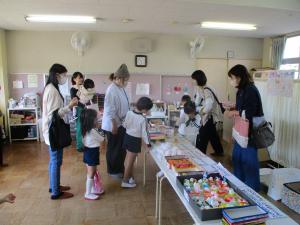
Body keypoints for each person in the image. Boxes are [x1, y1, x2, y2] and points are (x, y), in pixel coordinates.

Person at [225, 64, 263, 192]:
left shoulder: (251, 90)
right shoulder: (240, 91)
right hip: (240, 133)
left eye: (232, 78)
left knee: (249, 165)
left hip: (250, 135)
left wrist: (234, 112)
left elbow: (249, 113)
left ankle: (252, 194)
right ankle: (239, 189)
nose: (231, 81)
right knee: (237, 160)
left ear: (239, 78)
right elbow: (242, 108)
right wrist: (233, 107)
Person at [42, 63, 78, 199]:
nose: (65, 78)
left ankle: (54, 186)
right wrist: (70, 105)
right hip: (53, 130)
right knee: (56, 160)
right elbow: (55, 115)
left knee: (53, 160)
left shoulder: (50, 88)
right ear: (56, 75)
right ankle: (56, 192)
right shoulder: (52, 90)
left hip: (50, 130)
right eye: (63, 75)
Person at [102, 64, 130, 178]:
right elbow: (109, 110)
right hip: (113, 124)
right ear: (118, 78)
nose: (126, 82)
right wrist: (114, 125)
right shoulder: (111, 89)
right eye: (125, 80)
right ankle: (113, 171)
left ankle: (119, 168)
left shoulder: (121, 88)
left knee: (121, 148)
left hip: (121, 123)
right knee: (114, 148)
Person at [122, 97, 153, 188]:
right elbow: (145, 133)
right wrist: (148, 144)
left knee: (128, 160)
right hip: (134, 140)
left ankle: (130, 178)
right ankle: (125, 181)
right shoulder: (143, 119)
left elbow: (124, 124)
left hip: (127, 137)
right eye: (148, 110)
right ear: (144, 109)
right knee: (130, 162)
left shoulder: (129, 112)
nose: (148, 111)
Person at [191, 70, 224, 156]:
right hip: (208, 114)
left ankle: (199, 154)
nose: (192, 81)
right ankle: (219, 151)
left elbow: (209, 106)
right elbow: (197, 100)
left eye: (193, 79)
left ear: (198, 79)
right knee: (212, 133)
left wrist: (200, 111)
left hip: (211, 114)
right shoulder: (199, 88)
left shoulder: (207, 90)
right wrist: (193, 106)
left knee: (203, 134)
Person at [81, 108, 105, 200]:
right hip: (92, 153)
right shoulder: (93, 131)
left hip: (87, 152)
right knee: (91, 173)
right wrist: (99, 129)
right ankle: (88, 193)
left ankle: (91, 189)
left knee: (90, 173)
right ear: (91, 121)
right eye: (96, 119)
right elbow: (102, 139)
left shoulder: (85, 130)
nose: (97, 120)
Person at [73, 79, 96, 152]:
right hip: (80, 109)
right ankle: (79, 146)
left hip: (85, 108)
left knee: (85, 127)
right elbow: (76, 100)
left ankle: (83, 144)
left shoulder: (85, 90)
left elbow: (91, 100)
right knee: (80, 127)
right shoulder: (80, 90)